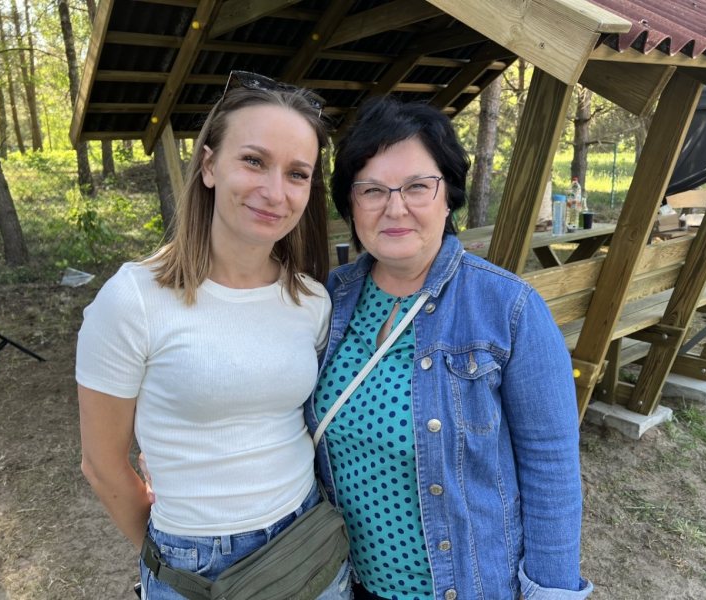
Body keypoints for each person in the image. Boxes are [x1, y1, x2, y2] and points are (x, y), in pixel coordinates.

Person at [76, 71, 350, 599]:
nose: (275, 192)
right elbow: (103, 464)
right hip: (193, 565)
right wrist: (170, 560)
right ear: (208, 166)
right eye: (254, 161)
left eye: (297, 173)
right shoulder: (133, 299)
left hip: (308, 546)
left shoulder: (311, 301)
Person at [306, 96, 593, 600]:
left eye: (417, 186)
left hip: (466, 587)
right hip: (349, 583)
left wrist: (551, 592)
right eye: (372, 189)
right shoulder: (328, 299)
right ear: (350, 204)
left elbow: (551, 466)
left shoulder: (509, 308)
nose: (395, 207)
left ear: (449, 195)